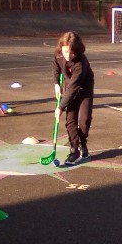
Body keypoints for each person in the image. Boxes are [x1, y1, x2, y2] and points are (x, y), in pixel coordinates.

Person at [53, 31, 95, 165]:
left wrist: (60, 107)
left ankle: (83, 143)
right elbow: (56, 67)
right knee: (70, 119)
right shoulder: (59, 55)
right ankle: (74, 150)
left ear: (77, 50)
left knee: (84, 119)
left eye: (71, 52)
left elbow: (74, 87)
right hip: (69, 85)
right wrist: (56, 84)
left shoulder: (81, 62)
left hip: (84, 87)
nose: (68, 56)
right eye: (65, 52)